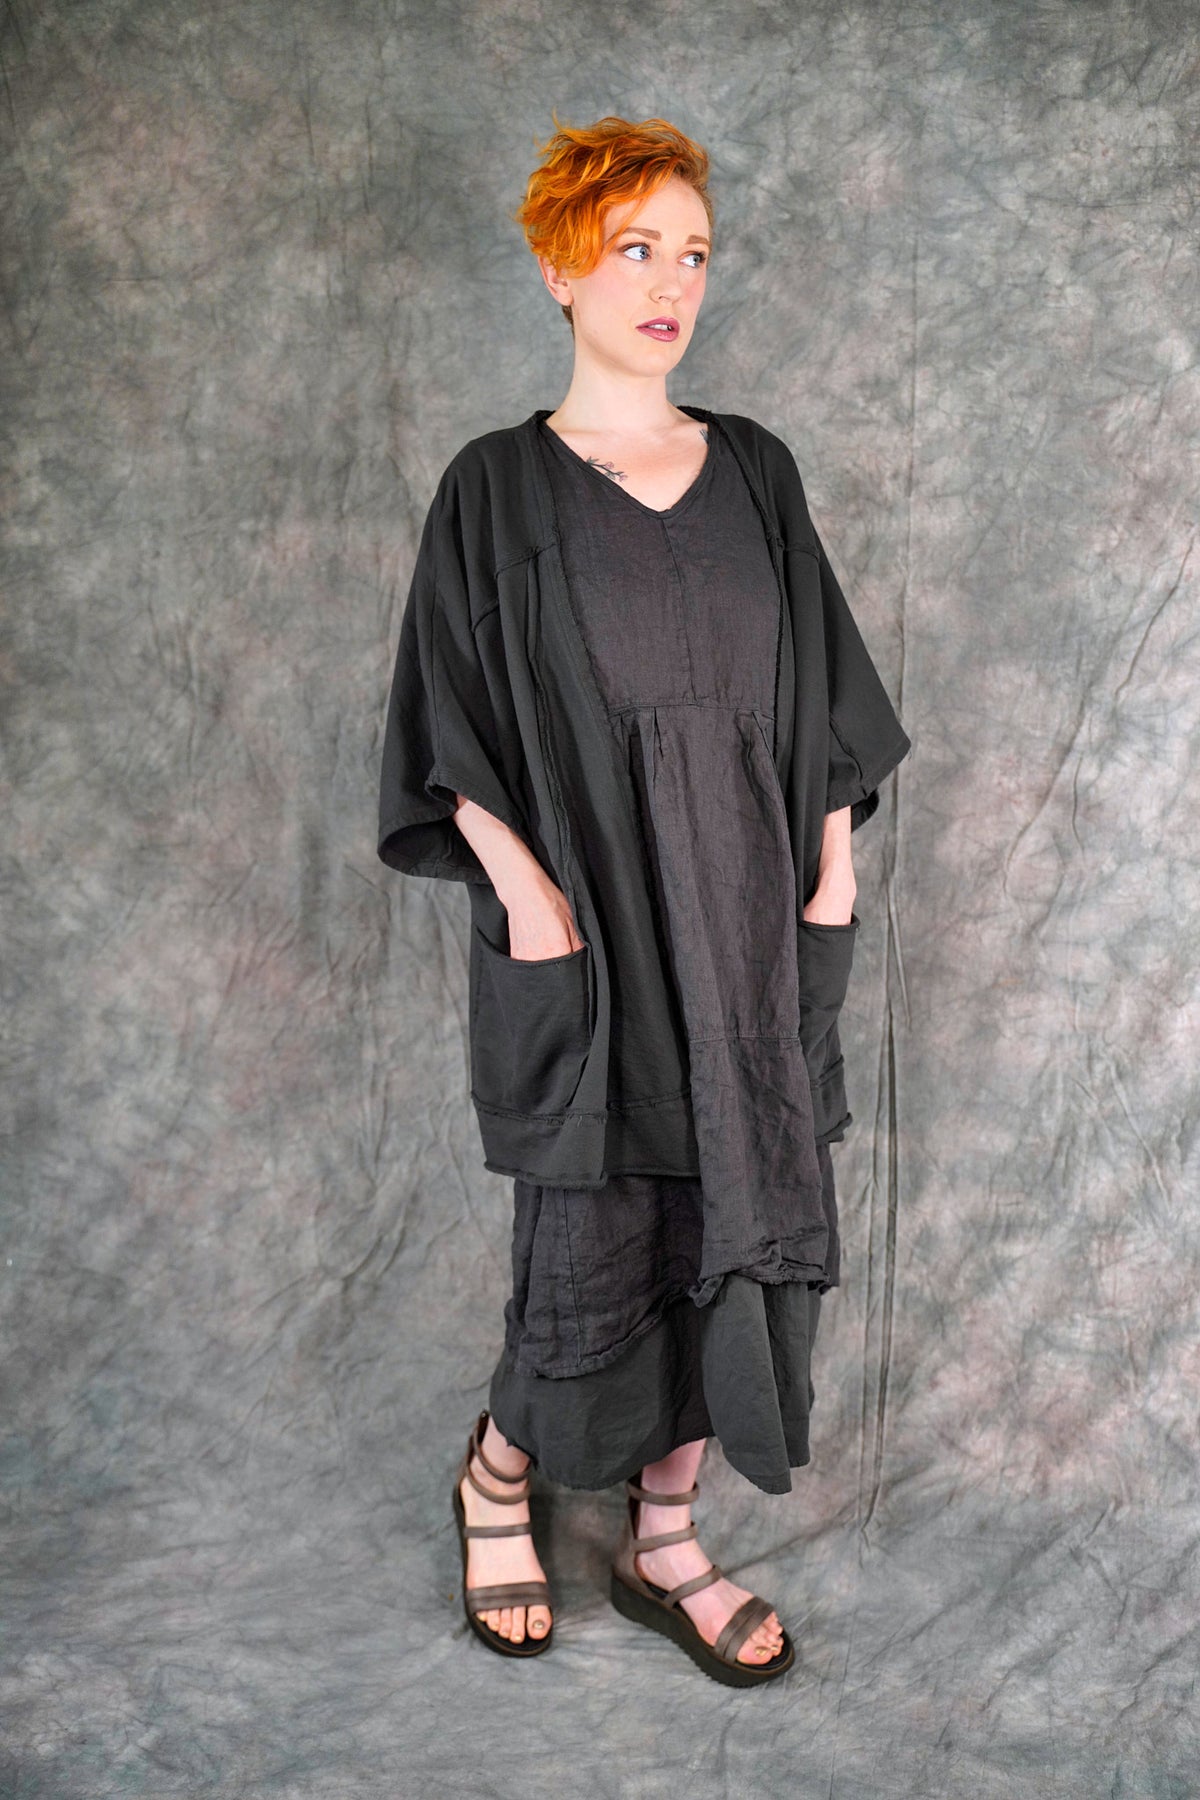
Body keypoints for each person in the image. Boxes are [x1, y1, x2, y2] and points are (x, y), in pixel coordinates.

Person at [378, 114, 910, 1684]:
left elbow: (825, 699)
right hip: (594, 931)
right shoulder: (495, 488)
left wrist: (834, 878)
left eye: (693, 253)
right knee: (593, 1240)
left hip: (753, 932)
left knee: (739, 1223)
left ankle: (664, 1538)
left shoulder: (755, 469)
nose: (671, 281)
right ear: (560, 267)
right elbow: (448, 724)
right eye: (634, 249)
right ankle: (500, 1476)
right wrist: (531, 902)